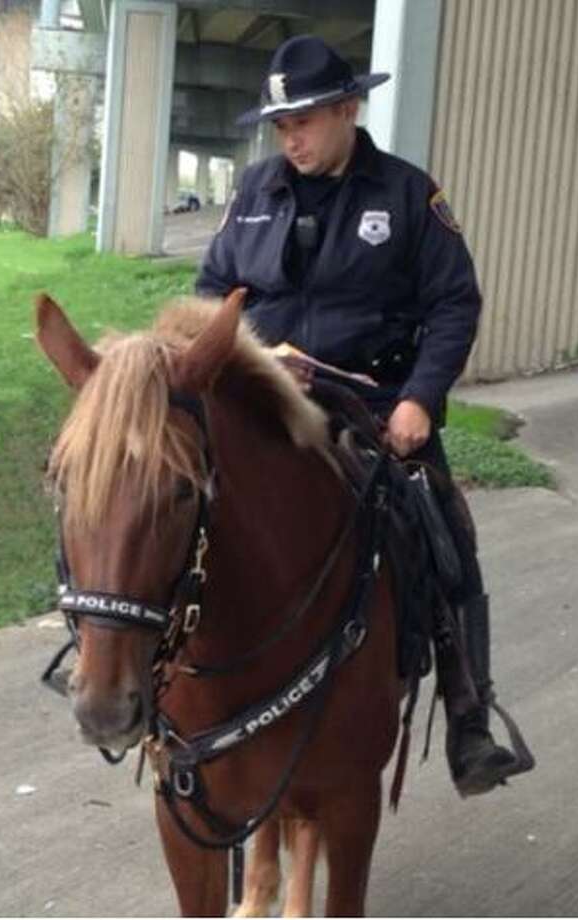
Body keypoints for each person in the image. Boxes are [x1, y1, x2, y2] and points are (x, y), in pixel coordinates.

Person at [195, 35, 533, 797]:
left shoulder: (410, 196)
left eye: (305, 121)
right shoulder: (253, 194)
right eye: (281, 126)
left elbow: (454, 304)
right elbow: (211, 294)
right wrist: (248, 354)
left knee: (446, 532)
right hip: (267, 407)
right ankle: (159, 690)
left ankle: (468, 715)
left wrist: (419, 398)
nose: (291, 139)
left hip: (377, 410)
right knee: (172, 507)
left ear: (350, 108)